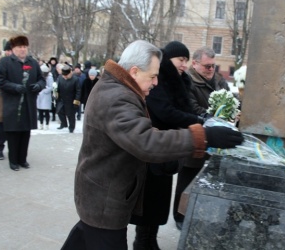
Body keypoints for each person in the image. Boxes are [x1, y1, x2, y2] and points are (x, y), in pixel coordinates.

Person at [61, 40, 243, 250]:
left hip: (102, 193)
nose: (156, 82)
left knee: (85, 238)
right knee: (99, 237)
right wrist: (203, 136)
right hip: (104, 199)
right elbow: (146, 141)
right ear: (135, 71)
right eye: (153, 76)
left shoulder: (118, 88)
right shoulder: (116, 97)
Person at [129, 41, 205, 249]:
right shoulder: (159, 81)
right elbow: (165, 111)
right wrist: (198, 122)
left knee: (158, 202)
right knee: (149, 203)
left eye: (186, 61)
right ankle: (143, 242)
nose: (184, 65)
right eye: (181, 60)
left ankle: (149, 240)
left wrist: (198, 118)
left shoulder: (179, 82)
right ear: (168, 59)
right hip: (153, 149)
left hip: (166, 151)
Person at [173, 46, 230, 229]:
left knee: (208, 182)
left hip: (216, 141)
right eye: (207, 66)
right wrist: (215, 118)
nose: (211, 70)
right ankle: (179, 217)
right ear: (195, 64)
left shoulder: (219, 81)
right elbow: (192, 108)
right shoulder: (186, 81)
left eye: (214, 66)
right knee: (187, 179)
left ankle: (199, 215)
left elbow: (231, 99)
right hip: (194, 138)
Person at [0, 35, 46, 171]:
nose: (23, 49)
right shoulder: (6, 62)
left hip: (28, 104)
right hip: (12, 104)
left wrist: (38, 86)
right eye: (19, 47)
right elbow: (0, 80)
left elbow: (42, 80)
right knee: (13, 134)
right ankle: (13, 161)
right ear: (13, 48)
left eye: (24, 47)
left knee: (25, 133)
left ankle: (23, 159)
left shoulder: (33, 62)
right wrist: (14, 87)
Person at [56, 64, 81, 133]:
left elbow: (78, 91)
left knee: (71, 115)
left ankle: (71, 127)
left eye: (66, 75)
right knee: (59, 111)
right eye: (64, 75)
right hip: (62, 98)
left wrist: (76, 101)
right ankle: (64, 124)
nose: (65, 77)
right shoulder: (60, 78)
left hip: (71, 99)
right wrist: (56, 95)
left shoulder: (75, 79)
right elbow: (57, 88)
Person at [37, 63, 54, 130]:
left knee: (46, 111)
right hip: (40, 96)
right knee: (40, 111)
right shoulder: (39, 77)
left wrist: (44, 90)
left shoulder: (50, 77)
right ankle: (41, 124)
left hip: (46, 96)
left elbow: (51, 87)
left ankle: (47, 124)